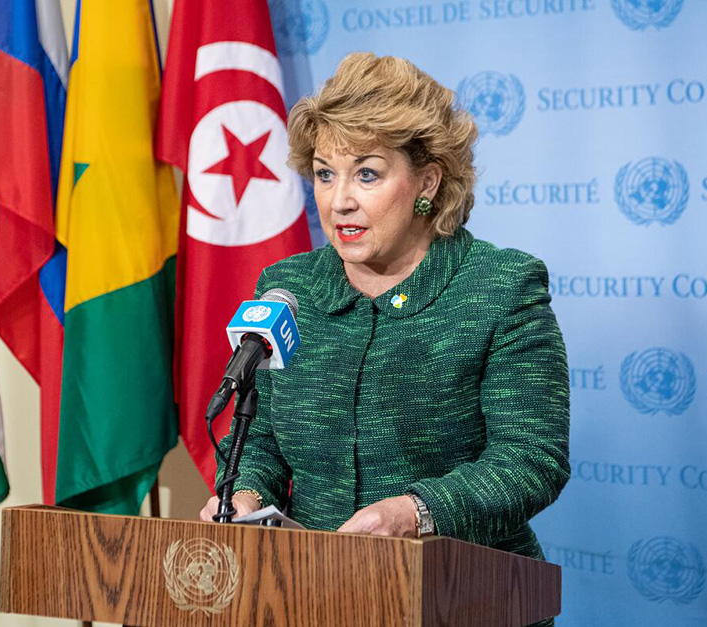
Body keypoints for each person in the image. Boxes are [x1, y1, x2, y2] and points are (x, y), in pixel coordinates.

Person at [200, 52, 570, 580]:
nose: (340, 201)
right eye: (325, 175)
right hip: (316, 591)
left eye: (367, 174)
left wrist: (414, 513)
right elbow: (259, 436)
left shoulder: (501, 287)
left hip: (461, 595)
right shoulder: (289, 289)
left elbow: (532, 459)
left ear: (427, 182)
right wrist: (244, 492)